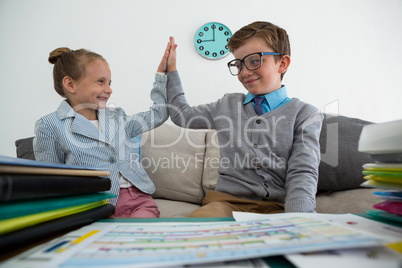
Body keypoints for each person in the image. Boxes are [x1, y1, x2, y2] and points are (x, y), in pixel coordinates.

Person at [166, 22, 323, 217]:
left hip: (279, 208)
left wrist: (299, 219)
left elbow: (302, 172)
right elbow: (182, 116)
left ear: (282, 63)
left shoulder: (305, 114)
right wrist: (171, 71)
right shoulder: (227, 105)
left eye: (254, 61)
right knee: (199, 228)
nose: (244, 72)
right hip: (226, 203)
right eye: (238, 64)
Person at [34, 39, 177, 218]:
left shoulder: (117, 116)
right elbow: (50, 180)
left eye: (110, 82)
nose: (109, 90)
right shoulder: (49, 125)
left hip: (136, 199)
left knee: (142, 236)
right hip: (91, 204)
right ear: (70, 84)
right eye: (101, 81)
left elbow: (159, 113)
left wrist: (162, 75)